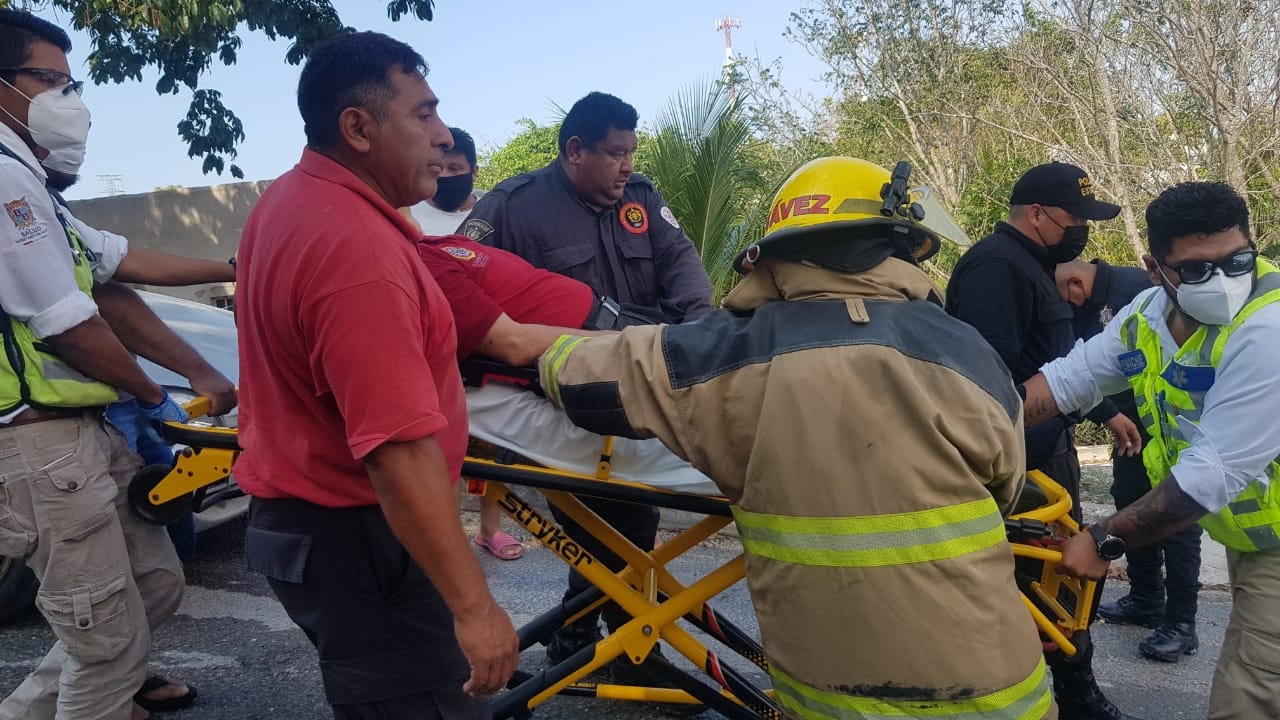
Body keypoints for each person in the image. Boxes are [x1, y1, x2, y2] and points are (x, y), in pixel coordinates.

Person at [536, 156, 1055, 718]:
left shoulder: (721, 354)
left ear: (778, 258)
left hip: (832, 703)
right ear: (897, 248)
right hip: (1000, 697)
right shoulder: (969, 351)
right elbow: (1005, 484)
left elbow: (577, 372)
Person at [234, 30, 518, 720]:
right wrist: (475, 608)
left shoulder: (291, 200)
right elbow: (396, 452)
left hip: (319, 525)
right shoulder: (353, 249)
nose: (444, 136)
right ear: (358, 128)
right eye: (423, 115)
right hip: (358, 535)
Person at [0, 10, 236, 720]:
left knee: (152, 589)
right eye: (49, 81)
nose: (69, 101)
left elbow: (116, 272)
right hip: (37, 446)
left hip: (85, 433)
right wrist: (151, 396)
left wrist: (237, 271)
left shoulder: (30, 181)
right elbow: (68, 324)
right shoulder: (4, 186)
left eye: (72, 84)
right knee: (105, 643)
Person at [461, 90, 715, 666]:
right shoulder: (512, 208)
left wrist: (701, 338)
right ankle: (631, 653)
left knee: (622, 527)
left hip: (645, 388)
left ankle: (577, 642)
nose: (628, 166)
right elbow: (465, 292)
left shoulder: (642, 200)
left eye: (631, 151)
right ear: (575, 150)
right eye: (614, 153)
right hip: (560, 401)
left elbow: (683, 270)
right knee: (619, 526)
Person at [1025, 181, 1280, 719]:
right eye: (1195, 269)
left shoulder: (1268, 329)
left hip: (1269, 541)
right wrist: (971, 430)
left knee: (1250, 695)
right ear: (1154, 268)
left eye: (1237, 262)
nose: (1222, 281)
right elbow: (1066, 382)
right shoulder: (1145, 316)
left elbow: (1212, 474)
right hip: (1255, 530)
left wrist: (1103, 539)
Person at [945, 161, 1138, 720]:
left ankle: (1074, 687)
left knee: (1061, 579)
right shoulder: (997, 268)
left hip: (1048, 451)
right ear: (1035, 214)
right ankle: (1052, 695)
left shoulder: (1029, 265)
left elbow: (1053, 365)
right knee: (1033, 582)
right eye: (1074, 219)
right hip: (1017, 463)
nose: (1081, 230)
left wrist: (1100, 409)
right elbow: (988, 381)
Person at [1056, 258, 1204, 662]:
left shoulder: (1136, 293)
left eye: (1064, 297)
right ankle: (1145, 598)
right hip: (1134, 432)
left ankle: (1180, 623)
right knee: (1130, 503)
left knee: (1175, 519)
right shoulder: (1093, 305)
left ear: (1075, 281)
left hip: (1172, 431)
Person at [409, 126, 485, 235]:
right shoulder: (408, 213)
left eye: (454, 168)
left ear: (474, 171)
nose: (444, 175)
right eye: (437, 167)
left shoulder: (492, 215)